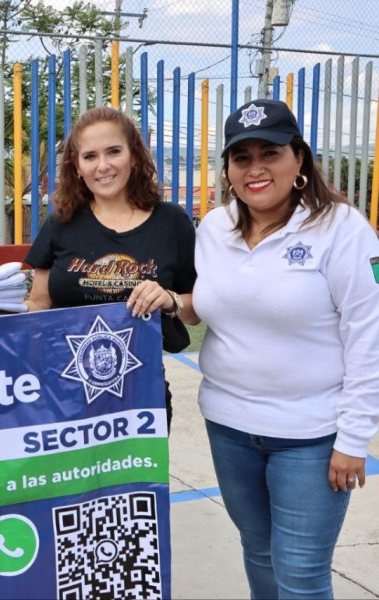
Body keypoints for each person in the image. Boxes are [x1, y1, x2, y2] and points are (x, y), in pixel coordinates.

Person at [186, 98, 379, 598]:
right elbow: (204, 305)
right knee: (259, 551)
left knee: (301, 573)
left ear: (298, 158)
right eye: (241, 157)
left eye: (269, 153)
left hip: (311, 436)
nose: (255, 169)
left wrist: (353, 438)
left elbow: (369, 334)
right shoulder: (213, 229)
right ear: (228, 168)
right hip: (229, 426)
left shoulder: (342, 229)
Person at [24, 106, 196, 425]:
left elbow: (194, 310)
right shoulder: (61, 223)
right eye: (90, 156)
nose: (103, 166)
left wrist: (169, 299)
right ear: (76, 166)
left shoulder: (172, 223)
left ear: (133, 155)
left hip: (142, 396)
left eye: (114, 151)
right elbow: (38, 304)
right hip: (64, 394)